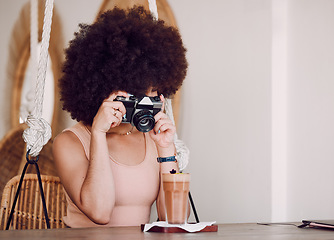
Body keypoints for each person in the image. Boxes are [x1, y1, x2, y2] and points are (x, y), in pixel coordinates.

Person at [52, 6, 188, 228]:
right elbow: (100, 212)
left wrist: (165, 150)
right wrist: (98, 132)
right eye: (136, 93)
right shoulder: (70, 142)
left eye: (153, 92)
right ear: (105, 88)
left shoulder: (154, 140)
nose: (145, 102)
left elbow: (174, 219)